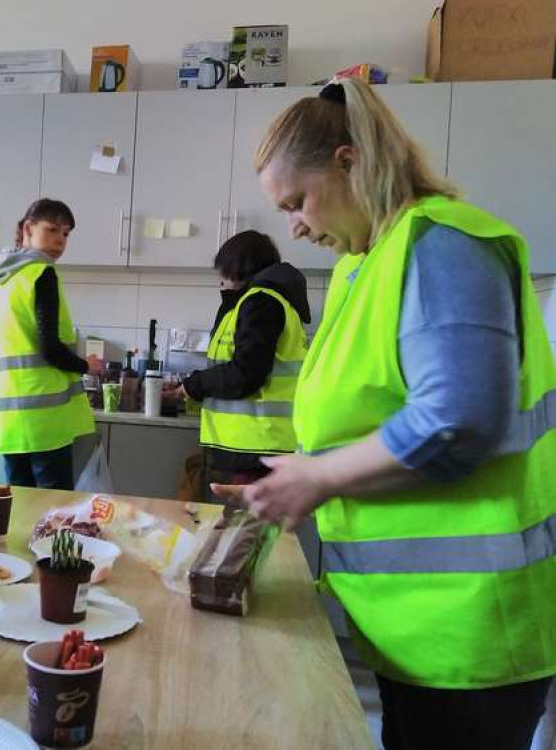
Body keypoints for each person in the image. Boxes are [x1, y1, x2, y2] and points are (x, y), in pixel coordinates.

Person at [226, 76, 555, 750]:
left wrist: (319, 480)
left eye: (297, 202)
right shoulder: (362, 262)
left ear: (350, 161)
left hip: (470, 629)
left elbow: (455, 420)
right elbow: (375, 416)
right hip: (405, 625)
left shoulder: (440, 245)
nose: (293, 225)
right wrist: (300, 472)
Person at [0, 198, 101, 490]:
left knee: (19, 506)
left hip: (8, 421)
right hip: (43, 420)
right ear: (28, 229)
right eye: (52, 230)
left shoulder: (6, 279)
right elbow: (50, 348)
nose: (60, 240)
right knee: (53, 511)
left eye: (66, 234)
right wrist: (87, 366)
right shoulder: (42, 273)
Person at [174, 230, 309, 491]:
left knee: (247, 529)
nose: (221, 279)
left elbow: (245, 373)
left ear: (240, 266)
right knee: (250, 529)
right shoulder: (260, 300)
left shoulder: (261, 302)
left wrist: (195, 385)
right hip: (258, 445)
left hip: (255, 446)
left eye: (224, 270)